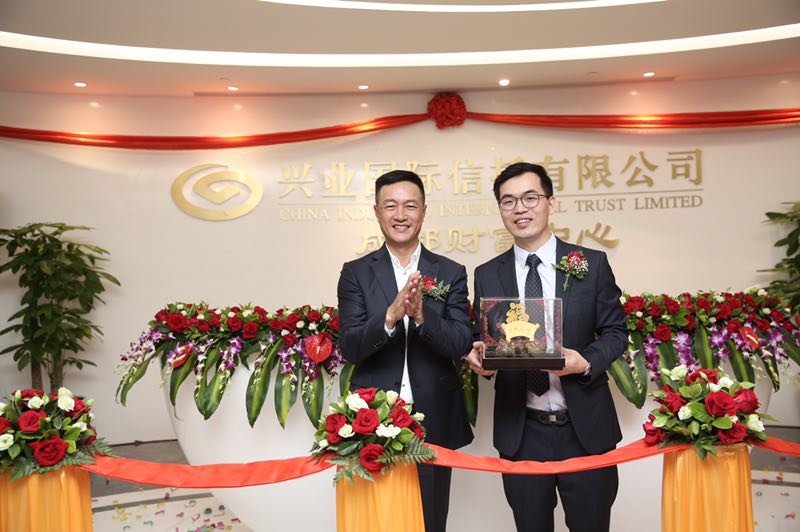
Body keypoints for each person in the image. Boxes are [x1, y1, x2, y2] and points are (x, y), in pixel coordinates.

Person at [465, 162, 627, 532]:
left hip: (585, 430)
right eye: (508, 201)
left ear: (550, 203)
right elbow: (486, 337)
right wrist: (481, 360)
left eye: (530, 198)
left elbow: (616, 331)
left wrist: (584, 362)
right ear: (501, 210)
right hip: (523, 432)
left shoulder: (591, 263)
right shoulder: (487, 273)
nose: (519, 209)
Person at [337, 169, 474, 532]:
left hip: (434, 419)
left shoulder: (450, 271)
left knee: (431, 520)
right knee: (379, 522)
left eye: (410, 206)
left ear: (423, 211)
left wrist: (423, 316)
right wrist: (390, 316)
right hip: (372, 420)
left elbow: (461, 342)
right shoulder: (355, 273)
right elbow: (350, 347)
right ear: (377, 211)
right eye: (391, 206)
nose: (401, 215)